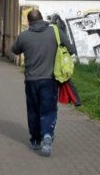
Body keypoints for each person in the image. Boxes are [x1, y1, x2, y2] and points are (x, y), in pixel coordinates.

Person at [11, 9, 76, 157]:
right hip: (50, 79)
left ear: (29, 22)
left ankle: (35, 140)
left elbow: (14, 50)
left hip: (31, 80)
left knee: (33, 110)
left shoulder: (24, 36)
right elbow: (71, 50)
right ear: (42, 19)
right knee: (48, 109)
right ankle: (47, 135)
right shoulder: (55, 32)